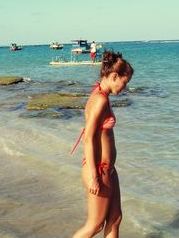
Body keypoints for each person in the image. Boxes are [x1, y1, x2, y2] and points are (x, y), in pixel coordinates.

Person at [72, 50, 134, 238]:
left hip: (108, 169)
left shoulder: (101, 94)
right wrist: (93, 176)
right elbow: (88, 138)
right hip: (98, 169)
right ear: (114, 76)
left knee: (115, 219)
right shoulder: (99, 99)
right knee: (95, 225)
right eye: (125, 82)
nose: (125, 88)